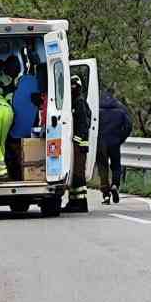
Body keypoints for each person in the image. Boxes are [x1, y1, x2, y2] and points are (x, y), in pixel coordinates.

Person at [97, 88, 133, 205]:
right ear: (114, 95)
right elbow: (128, 125)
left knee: (103, 167)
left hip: (101, 142)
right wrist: (120, 138)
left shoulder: (97, 108)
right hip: (114, 142)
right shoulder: (120, 109)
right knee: (116, 166)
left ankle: (106, 195)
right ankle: (115, 185)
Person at [64, 75, 92, 213]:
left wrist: (76, 140)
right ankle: (74, 202)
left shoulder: (80, 102)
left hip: (80, 145)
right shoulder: (75, 102)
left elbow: (83, 125)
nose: (72, 88)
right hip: (77, 144)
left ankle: (81, 203)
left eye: (74, 86)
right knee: (74, 175)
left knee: (79, 175)